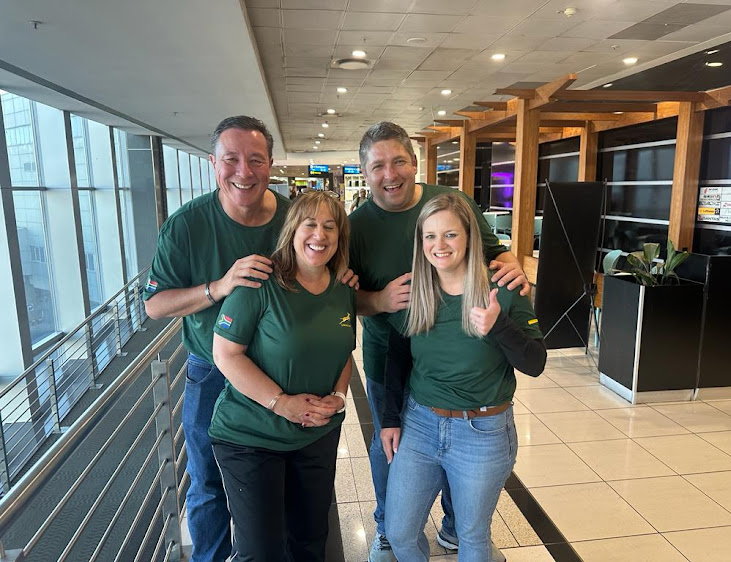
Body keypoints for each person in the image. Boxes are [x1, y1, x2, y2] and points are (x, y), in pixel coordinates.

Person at [142, 116, 356, 562]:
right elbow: (154, 305)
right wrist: (217, 289)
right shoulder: (187, 225)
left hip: (289, 371)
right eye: (231, 159)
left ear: (271, 164)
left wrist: (340, 282)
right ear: (212, 163)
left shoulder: (295, 218)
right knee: (208, 485)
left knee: (295, 500)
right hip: (213, 367)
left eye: (256, 159)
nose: (244, 171)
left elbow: (323, 267)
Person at [349, 121, 530, 562]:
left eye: (397, 161)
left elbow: (495, 253)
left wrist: (515, 271)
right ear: (365, 172)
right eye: (377, 166)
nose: (389, 174)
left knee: (460, 454)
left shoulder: (451, 204)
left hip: (464, 358)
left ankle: (457, 528)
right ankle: (389, 530)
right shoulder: (354, 226)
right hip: (390, 352)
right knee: (390, 447)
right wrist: (378, 298)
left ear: (414, 162)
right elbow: (340, 294)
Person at [381, 193, 547, 561]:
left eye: (450, 235)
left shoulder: (503, 289)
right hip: (420, 424)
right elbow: (397, 358)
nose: (439, 245)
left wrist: (498, 326)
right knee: (400, 532)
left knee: (472, 537)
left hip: (483, 432)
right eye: (430, 236)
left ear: (469, 237)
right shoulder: (416, 290)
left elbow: (535, 362)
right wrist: (391, 418)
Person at [210, 191, 355, 561]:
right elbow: (225, 354)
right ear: (292, 230)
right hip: (251, 437)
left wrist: (339, 397)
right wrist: (281, 403)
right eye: (309, 224)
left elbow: (343, 351)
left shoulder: (342, 289)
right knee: (261, 551)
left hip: (315, 435)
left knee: (310, 541)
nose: (319, 235)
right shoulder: (260, 283)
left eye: (329, 226)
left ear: (339, 237)